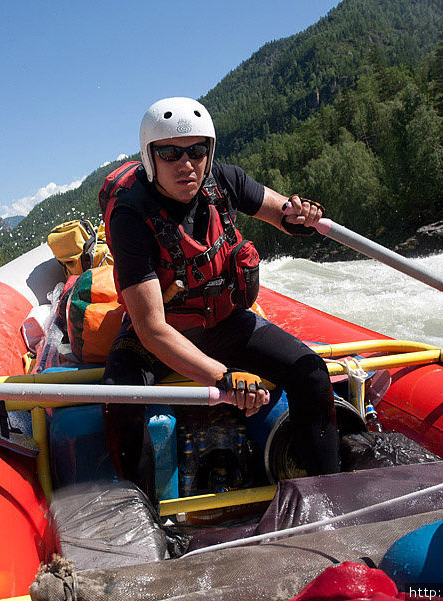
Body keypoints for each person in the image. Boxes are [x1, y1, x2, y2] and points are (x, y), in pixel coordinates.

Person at [100, 97, 341, 501]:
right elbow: (151, 329)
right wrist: (222, 377)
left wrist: (302, 216)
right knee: (120, 396)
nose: (186, 163)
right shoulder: (131, 213)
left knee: (312, 372)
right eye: (171, 153)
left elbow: (281, 211)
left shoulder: (225, 181)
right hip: (162, 338)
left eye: (197, 151)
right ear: (149, 157)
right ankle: (144, 515)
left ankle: (327, 498)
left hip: (226, 324)